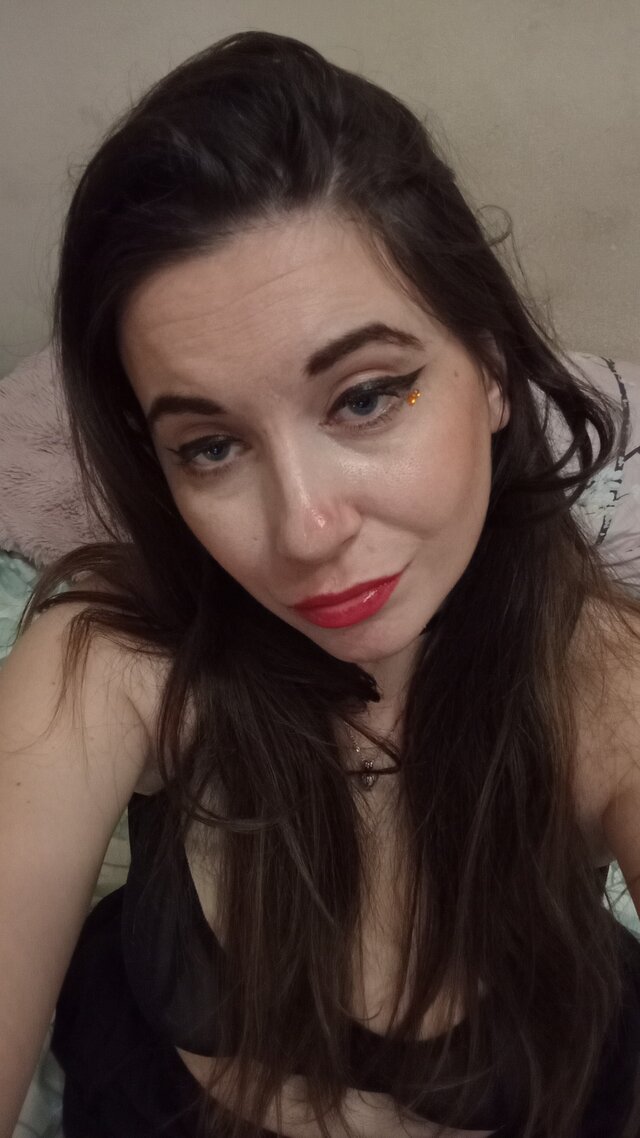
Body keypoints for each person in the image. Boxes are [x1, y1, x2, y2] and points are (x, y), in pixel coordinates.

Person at [1, 29, 640, 1138]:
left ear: (491, 369)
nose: (303, 531)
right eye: (210, 446)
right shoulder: (109, 660)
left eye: (365, 396)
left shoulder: (606, 690)